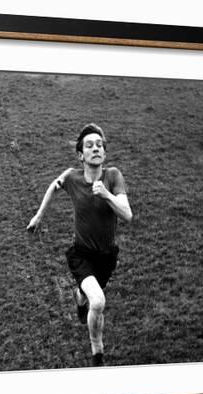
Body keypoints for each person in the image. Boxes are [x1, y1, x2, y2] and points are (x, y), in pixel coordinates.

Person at [26, 123, 132, 366]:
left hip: (107, 257)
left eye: (99, 145)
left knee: (88, 294)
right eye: (89, 145)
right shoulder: (72, 177)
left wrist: (106, 195)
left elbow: (127, 215)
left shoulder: (113, 176)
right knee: (99, 301)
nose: (95, 148)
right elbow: (54, 186)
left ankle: (79, 295)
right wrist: (39, 216)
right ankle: (98, 352)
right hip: (81, 255)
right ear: (81, 155)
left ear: (104, 153)